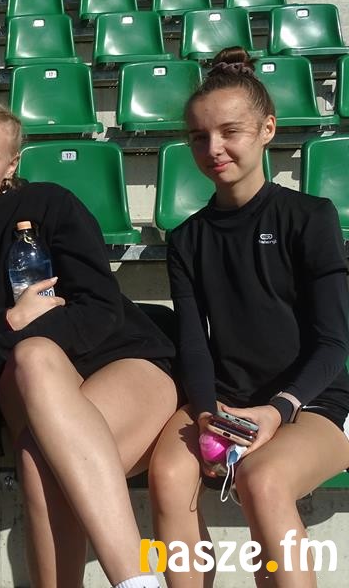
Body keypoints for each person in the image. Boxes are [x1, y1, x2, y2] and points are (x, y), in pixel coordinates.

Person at [0, 97, 178, 588]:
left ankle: (135, 580)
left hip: (125, 365)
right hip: (26, 392)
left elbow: (99, 308)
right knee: (32, 376)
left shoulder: (50, 205)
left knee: (39, 447)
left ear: (12, 164)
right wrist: (11, 321)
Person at [148, 47, 349, 588]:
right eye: (199, 136)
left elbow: (334, 343)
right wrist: (207, 413)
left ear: (267, 130)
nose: (213, 148)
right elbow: (194, 343)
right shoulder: (187, 238)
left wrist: (277, 410)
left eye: (230, 131)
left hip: (310, 402)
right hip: (226, 401)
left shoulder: (310, 217)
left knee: (262, 480)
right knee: (167, 475)